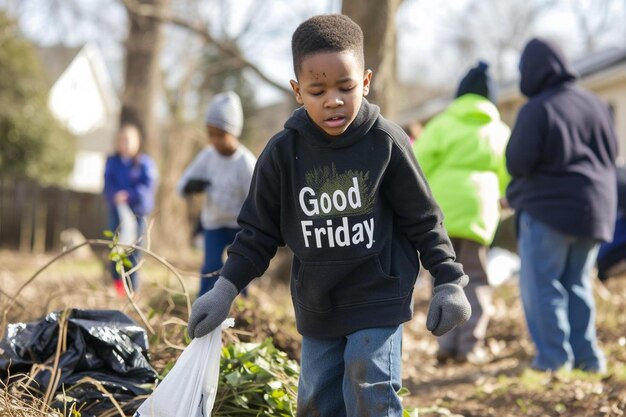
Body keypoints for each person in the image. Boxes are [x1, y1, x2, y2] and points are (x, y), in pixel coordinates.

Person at [187, 14, 471, 416]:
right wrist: (225, 288)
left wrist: (448, 280)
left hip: (378, 294)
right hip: (318, 302)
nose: (333, 100)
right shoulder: (282, 154)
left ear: (367, 82)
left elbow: (423, 218)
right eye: (317, 90)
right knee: (317, 401)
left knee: (367, 381)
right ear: (297, 91)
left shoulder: (386, 144)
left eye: (346, 87)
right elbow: (257, 233)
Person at [505, 38, 618, 373]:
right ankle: (588, 359)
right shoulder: (596, 104)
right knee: (577, 284)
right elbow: (611, 154)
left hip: (548, 210)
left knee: (542, 286)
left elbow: (518, 162)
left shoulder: (538, 108)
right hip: (595, 210)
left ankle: (554, 360)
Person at [413, 61, 510, 364]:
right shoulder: (498, 130)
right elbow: (508, 173)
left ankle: (444, 344)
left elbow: (417, 162)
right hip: (479, 213)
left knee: (443, 276)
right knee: (477, 277)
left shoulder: (442, 124)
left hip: (441, 211)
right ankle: (470, 347)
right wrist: (505, 197)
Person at [177, 91, 257, 297]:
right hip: (213, 224)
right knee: (211, 268)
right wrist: (190, 186)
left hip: (240, 226)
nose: (214, 140)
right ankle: (202, 308)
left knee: (239, 269)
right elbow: (182, 184)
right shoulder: (207, 157)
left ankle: (241, 309)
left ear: (234, 132)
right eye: (210, 134)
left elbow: (257, 198)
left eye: (220, 135)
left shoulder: (245, 163)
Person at [103, 123, 158, 296]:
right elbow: (107, 184)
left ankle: (132, 290)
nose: (125, 144)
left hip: (137, 213)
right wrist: (115, 195)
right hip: (117, 213)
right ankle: (118, 287)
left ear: (137, 142)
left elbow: (147, 188)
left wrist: (129, 195)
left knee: (133, 252)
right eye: (122, 140)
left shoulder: (144, 164)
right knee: (116, 249)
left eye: (128, 140)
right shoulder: (112, 162)